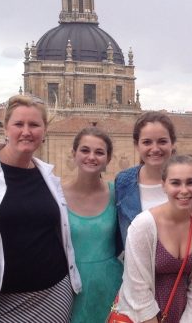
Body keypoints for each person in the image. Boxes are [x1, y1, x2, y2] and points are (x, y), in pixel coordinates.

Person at [0, 94, 81, 322]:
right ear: (5, 128)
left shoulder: (48, 175)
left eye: (34, 125)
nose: (26, 131)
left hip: (55, 293)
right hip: (0, 300)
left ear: (44, 131)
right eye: (19, 124)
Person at [115, 155, 192, 322]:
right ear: (164, 186)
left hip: (181, 313)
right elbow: (137, 288)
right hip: (140, 315)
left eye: (191, 182)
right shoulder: (143, 225)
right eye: (175, 183)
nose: (184, 190)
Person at [115, 111, 192, 245]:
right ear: (137, 145)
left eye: (162, 141)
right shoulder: (123, 182)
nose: (155, 149)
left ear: (172, 143)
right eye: (147, 142)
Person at [63, 127, 123, 323]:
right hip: (68, 286)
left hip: (110, 285)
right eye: (85, 150)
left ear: (108, 158)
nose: (92, 157)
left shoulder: (118, 195)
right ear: (74, 154)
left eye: (99, 152)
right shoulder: (56, 195)